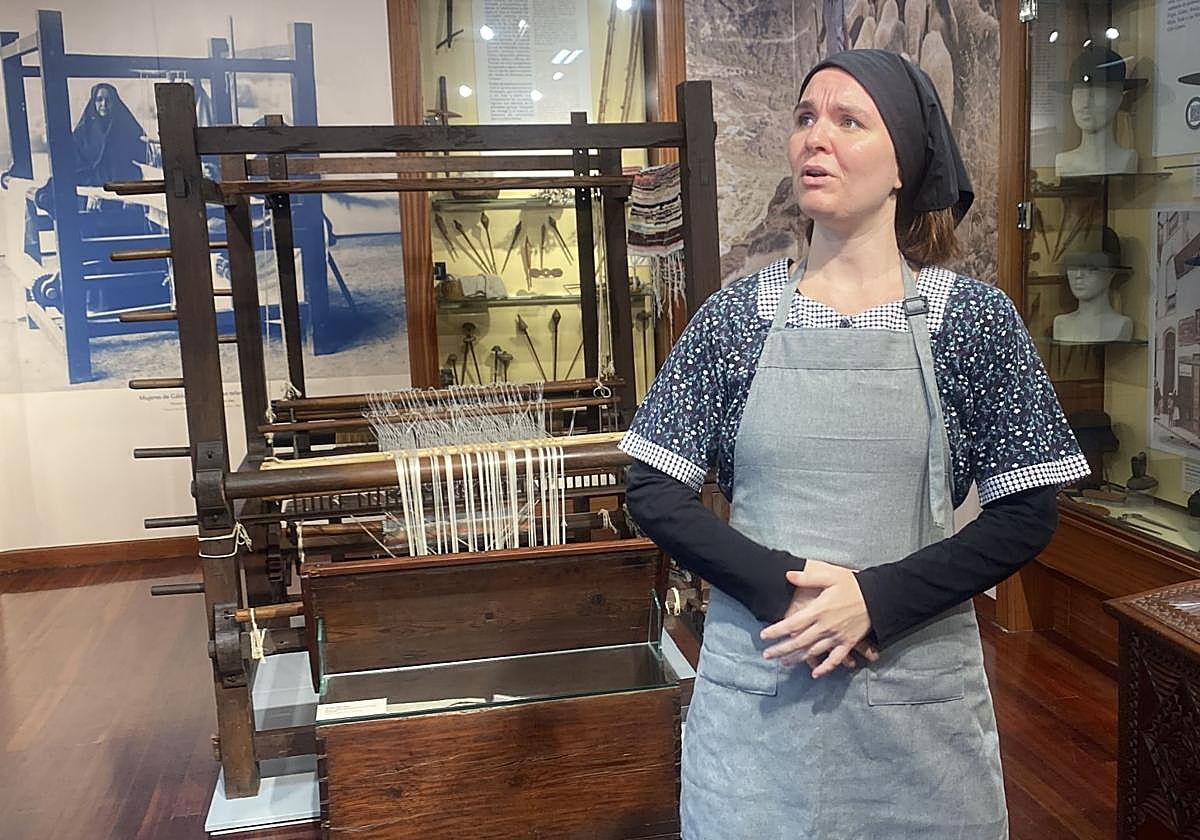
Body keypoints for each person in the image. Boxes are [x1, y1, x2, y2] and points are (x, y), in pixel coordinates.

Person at [620, 49, 1089, 839]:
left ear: (904, 161)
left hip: (915, 707)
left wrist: (876, 601)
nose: (816, 137)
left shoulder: (972, 322)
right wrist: (784, 588)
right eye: (805, 117)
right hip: (761, 701)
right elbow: (653, 488)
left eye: (848, 120)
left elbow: (1027, 514)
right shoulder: (734, 320)